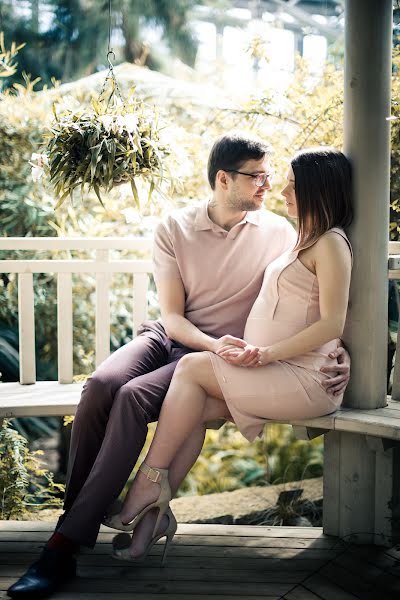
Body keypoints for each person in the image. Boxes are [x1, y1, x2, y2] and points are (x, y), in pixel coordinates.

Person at [7, 135, 350, 599]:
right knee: (102, 386)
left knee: (131, 399)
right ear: (223, 179)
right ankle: (78, 520)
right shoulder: (175, 226)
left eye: (272, 177)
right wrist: (212, 344)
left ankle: (63, 546)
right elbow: (171, 317)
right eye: (258, 176)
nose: (269, 186)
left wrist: (338, 350)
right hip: (177, 338)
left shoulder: (281, 231)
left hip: (216, 360)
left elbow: (314, 298)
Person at [107, 146, 353, 564]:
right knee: (192, 407)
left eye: (291, 185)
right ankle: (151, 521)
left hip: (305, 376)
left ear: (317, 189)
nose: (281, 191)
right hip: (284, 369)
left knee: (190, 368)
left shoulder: (330, 243)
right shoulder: (301, 238)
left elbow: (333, 322)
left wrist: (272, 352)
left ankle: (146, 487)